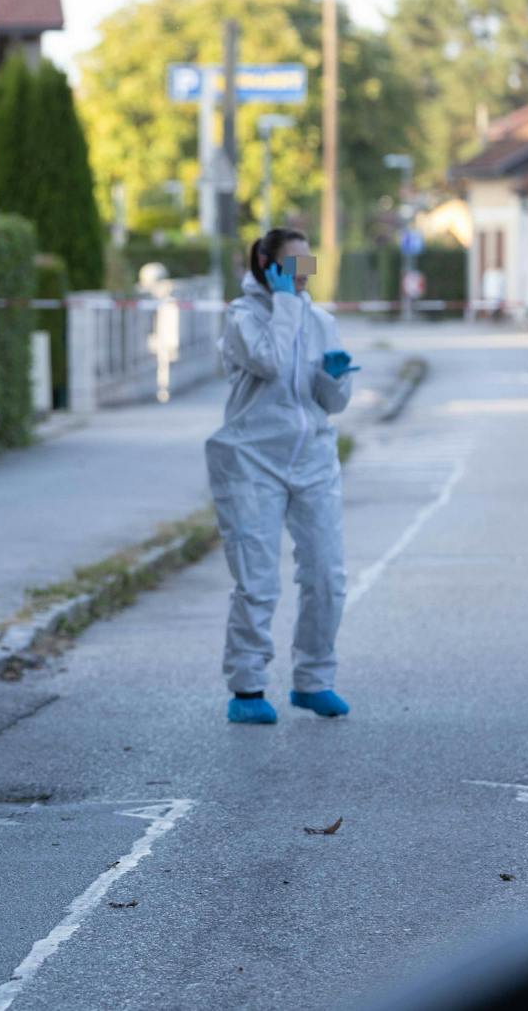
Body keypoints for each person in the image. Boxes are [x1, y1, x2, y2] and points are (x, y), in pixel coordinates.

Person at [206, 227, 357, 725]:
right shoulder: (241, 317)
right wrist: (288, 302)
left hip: (311, 457)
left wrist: (334, 377)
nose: (300, 274)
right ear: (265, 267)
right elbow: (269, 361)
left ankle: (314, 680)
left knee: (327, 574)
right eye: (290, 266)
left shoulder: (320, 320)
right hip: (251, 459)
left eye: (305, 265)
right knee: (258, 579)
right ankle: (247, 687)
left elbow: (333, 403)